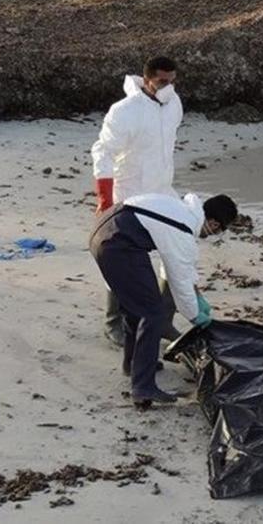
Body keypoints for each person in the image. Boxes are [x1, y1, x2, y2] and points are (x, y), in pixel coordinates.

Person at [90, 192, 238, 407]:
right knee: (154, 313)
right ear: (214, 224)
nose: (213, 235)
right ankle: (143, 387)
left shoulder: (180, 211)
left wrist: (198, 298)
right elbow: (180, 282)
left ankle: (133, 364)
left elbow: (172, 268)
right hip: (118, 244)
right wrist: (196, 316)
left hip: (104, 232)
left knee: (136, 308)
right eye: (219, 231)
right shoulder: (184, 228)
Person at [91, 56, 183, 346]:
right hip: (129, 196)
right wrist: (105, 200)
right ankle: (113, 321)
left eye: (172, 81)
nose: (168, 87)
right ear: (147, 80)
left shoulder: (174, 105)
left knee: (176, 252)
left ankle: (164, 319)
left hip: (162, 192)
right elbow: (102, 152)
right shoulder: (125, 111)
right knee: (123, 261)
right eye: (162, 81)